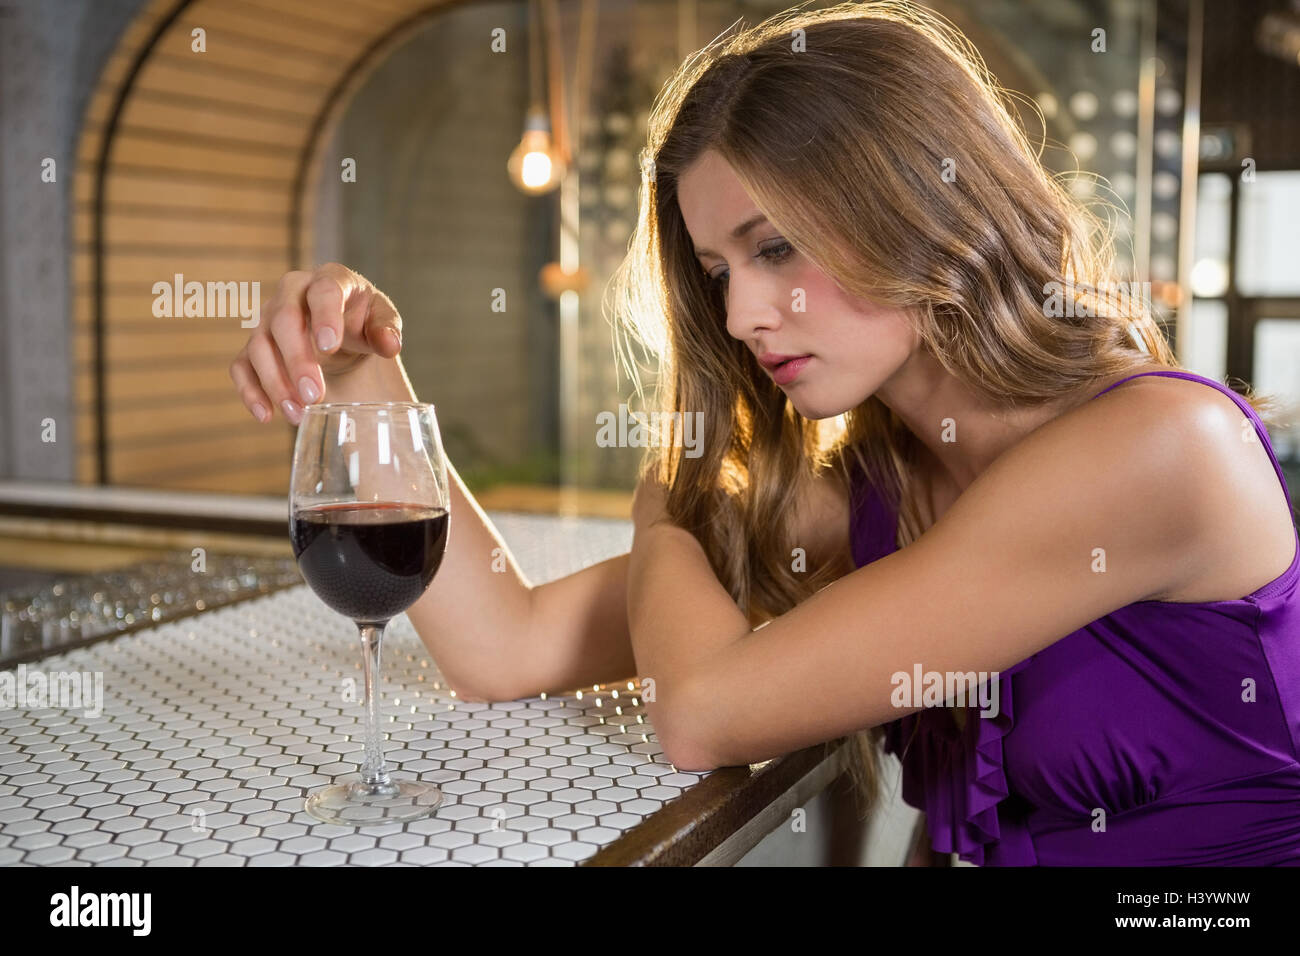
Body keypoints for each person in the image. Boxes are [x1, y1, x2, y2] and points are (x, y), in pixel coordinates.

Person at [229, 1, 1300, 865]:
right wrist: (361, 360)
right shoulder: (869, 498)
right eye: (716, 271)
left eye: (776, 247)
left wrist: (669, 488)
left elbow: (697, 711)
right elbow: (501, 647)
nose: (740, 314)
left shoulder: (1163, 449)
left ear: (919, 205)